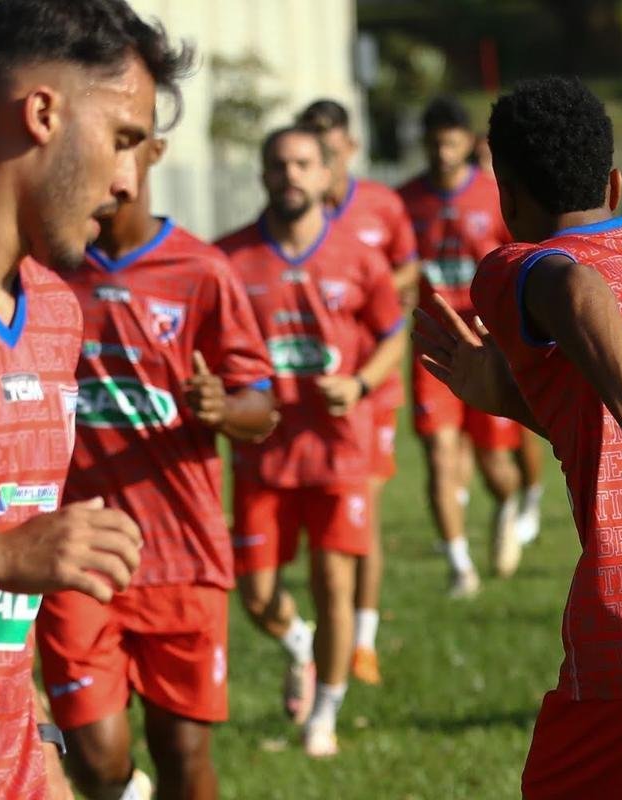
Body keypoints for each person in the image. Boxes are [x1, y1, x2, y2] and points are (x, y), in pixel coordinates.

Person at [413, 75, 622, 800]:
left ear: (506, 193)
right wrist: (512, 397)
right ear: (616, 183)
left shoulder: (514, 266)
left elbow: (575, 288)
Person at [0, 0, 193, 795]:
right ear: (43, 112)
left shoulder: (55, 315)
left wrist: (41, 753)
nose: (129, 180)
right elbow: (1, 562)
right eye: (122, 139)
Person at [36, 128, 275, 799]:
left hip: (183, 554)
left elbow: (263, 404)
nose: (108, 169)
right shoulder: (46, 269)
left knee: (182, 751)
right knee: (95, 756)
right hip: (78, 550)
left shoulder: (202, 271)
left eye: (124, 146)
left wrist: (222, 407)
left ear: (154, 153)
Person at [217, 126, 405, 757]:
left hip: (338, 452)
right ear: (263, 174)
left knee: (334, 584)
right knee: (258, 596)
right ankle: (299, 645)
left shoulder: (358, 254)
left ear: (326, 174)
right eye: (278, 164)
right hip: (262, 454)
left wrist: (359, 384)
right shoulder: (230, 259)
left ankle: (323, 715)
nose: (290, 174)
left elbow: (393, 334)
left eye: (303, 163)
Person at [398, 96, 543, 595]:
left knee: (492, 464)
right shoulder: (405, 201)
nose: (442, 151)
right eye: (434, 142)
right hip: (434, 344)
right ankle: (461, 568)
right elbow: (391, 266)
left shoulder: (492, 195)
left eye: (451, 141)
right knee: (440, 454)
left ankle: (509, 504)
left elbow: (526, 255)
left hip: (488, 343)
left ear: (467, 143)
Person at [296, 98, 418, 686]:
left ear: (348, 145)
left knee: (360, 511)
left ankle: (362, 640)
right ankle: (317, 634)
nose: (323, 150)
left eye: (331, 139)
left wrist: (363, 286)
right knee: (321, 537)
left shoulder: (381, 205)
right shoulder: (293, 208)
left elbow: (408, 272)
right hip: (313, 391)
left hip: (374, 377)